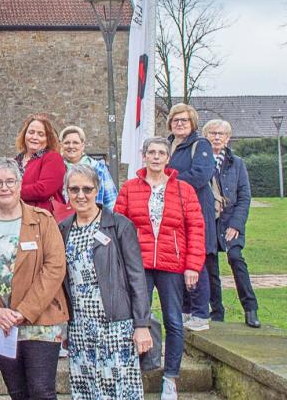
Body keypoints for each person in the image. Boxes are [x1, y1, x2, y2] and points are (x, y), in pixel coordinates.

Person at [115, 136, 206, 400]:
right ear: (144, 156)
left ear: (168, 158)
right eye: (151, 152)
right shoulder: (130, 188)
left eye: (161, 153)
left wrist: (192, 266)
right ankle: (135, 371)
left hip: (172, 264)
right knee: (134, 318)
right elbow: (119, 226)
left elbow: (196, 228)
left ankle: (170, 378)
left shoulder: (183, 190)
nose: (156, 157)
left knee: (173, 321)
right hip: (138, 265)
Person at [0, 157, 67, 400]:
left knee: (41, 391)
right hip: (0, 324)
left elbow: (54, 268)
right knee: (17, 392)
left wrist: (23, 311)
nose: (4, 187)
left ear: (20, 184)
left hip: (41, 321)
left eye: (10, 181)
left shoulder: (43, 220)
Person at [59, 165, 152, 399]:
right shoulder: (63, 229)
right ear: (67, 193)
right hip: (80, 326)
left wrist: (142, 325)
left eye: (87, 189)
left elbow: (136, 277)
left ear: (97, 190)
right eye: (74, 189)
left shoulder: (119, 225)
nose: (81, 195)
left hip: (115, 324)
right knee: (85, 388)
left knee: (117, 389)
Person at [202, 119, 259, 327]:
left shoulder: (238, 163)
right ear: (206, 136)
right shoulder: (202, 161)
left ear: (228, 138)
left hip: (230, 221)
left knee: (236, 258)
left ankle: (250, 308)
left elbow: (244, 196)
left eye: (221, 134)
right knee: (210, 266)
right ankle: (216, 312)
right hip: (209, 221)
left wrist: (236, 224)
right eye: (213, 133)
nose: (217, 137)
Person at [166, 103, 215, 332]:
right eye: (176, 120)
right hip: (173, 211)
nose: (179, 124)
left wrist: (168, 185)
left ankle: (199, 312)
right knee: (179, 259)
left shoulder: (200, 145)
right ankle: (186, 308)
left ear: (192, 123)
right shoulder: (168, 145)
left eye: (184, 120)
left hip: (194, 208)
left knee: (197, 261)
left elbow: (201, 174)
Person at [14, 113, 67, 214]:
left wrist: (12, 192)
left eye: (41, 134)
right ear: (24, 135)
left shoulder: (53, 158)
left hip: (43, 219)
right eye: (31, 132)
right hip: (17, 216)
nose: (34, 137)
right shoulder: (16, 161)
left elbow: (43, 190)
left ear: (48, 139)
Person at [59, 125, 118, 210]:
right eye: (67, 143)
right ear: (61, 145)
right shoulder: (54, 169)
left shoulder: (99, 169)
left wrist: (109, 221)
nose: (71, 146)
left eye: (75, 142)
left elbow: (111, 201)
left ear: (82, 146)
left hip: (95, 220)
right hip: (61, 220)